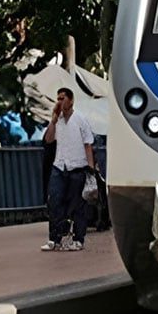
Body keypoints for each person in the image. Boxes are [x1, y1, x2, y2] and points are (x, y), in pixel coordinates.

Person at [41, 87, 95, 251]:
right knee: (54, 202)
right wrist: (53, 119)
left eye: (62, 98)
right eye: (58, 98)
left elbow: (88, 145)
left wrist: (90, 169)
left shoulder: (80, 120)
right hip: (59, 165)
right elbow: (49, 140)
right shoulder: (58, 121)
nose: (60, 102)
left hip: (77, 166)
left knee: (78, 205)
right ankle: (54, 239)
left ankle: (78, 239)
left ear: (71, 100)